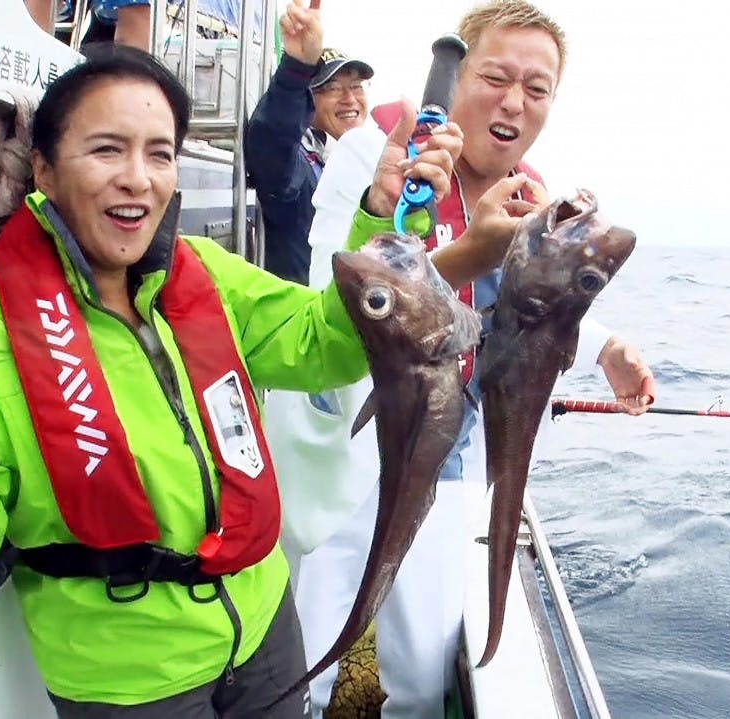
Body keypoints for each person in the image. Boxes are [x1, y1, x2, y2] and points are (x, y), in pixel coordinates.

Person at [0, 44, 490, 719]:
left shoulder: (205, 271)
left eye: (160, 153)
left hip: (263, 617)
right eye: (106, 150)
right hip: (129, 681)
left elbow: (321, 344)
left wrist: (379, 212)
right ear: (43, 168)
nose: (138, 177)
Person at [275, 2, 658, 718]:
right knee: (309, 651)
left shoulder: (535, 200)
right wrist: (459, 248)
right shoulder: (380, 152)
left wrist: (605, 345)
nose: (515, 102)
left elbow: (528, 301)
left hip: (447, 440)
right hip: (353, 429)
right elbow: (343, 290)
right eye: (496, 76)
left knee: (421, 671)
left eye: (537, 89)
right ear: (457, 77)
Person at [245, 0, 374, 284]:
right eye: (332, 88)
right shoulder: (302, 168)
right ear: (308, 101)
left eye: (355, 86)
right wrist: (296, 69)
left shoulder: (378, 159)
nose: (349, 98)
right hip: (312, 320)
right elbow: (271, 139)